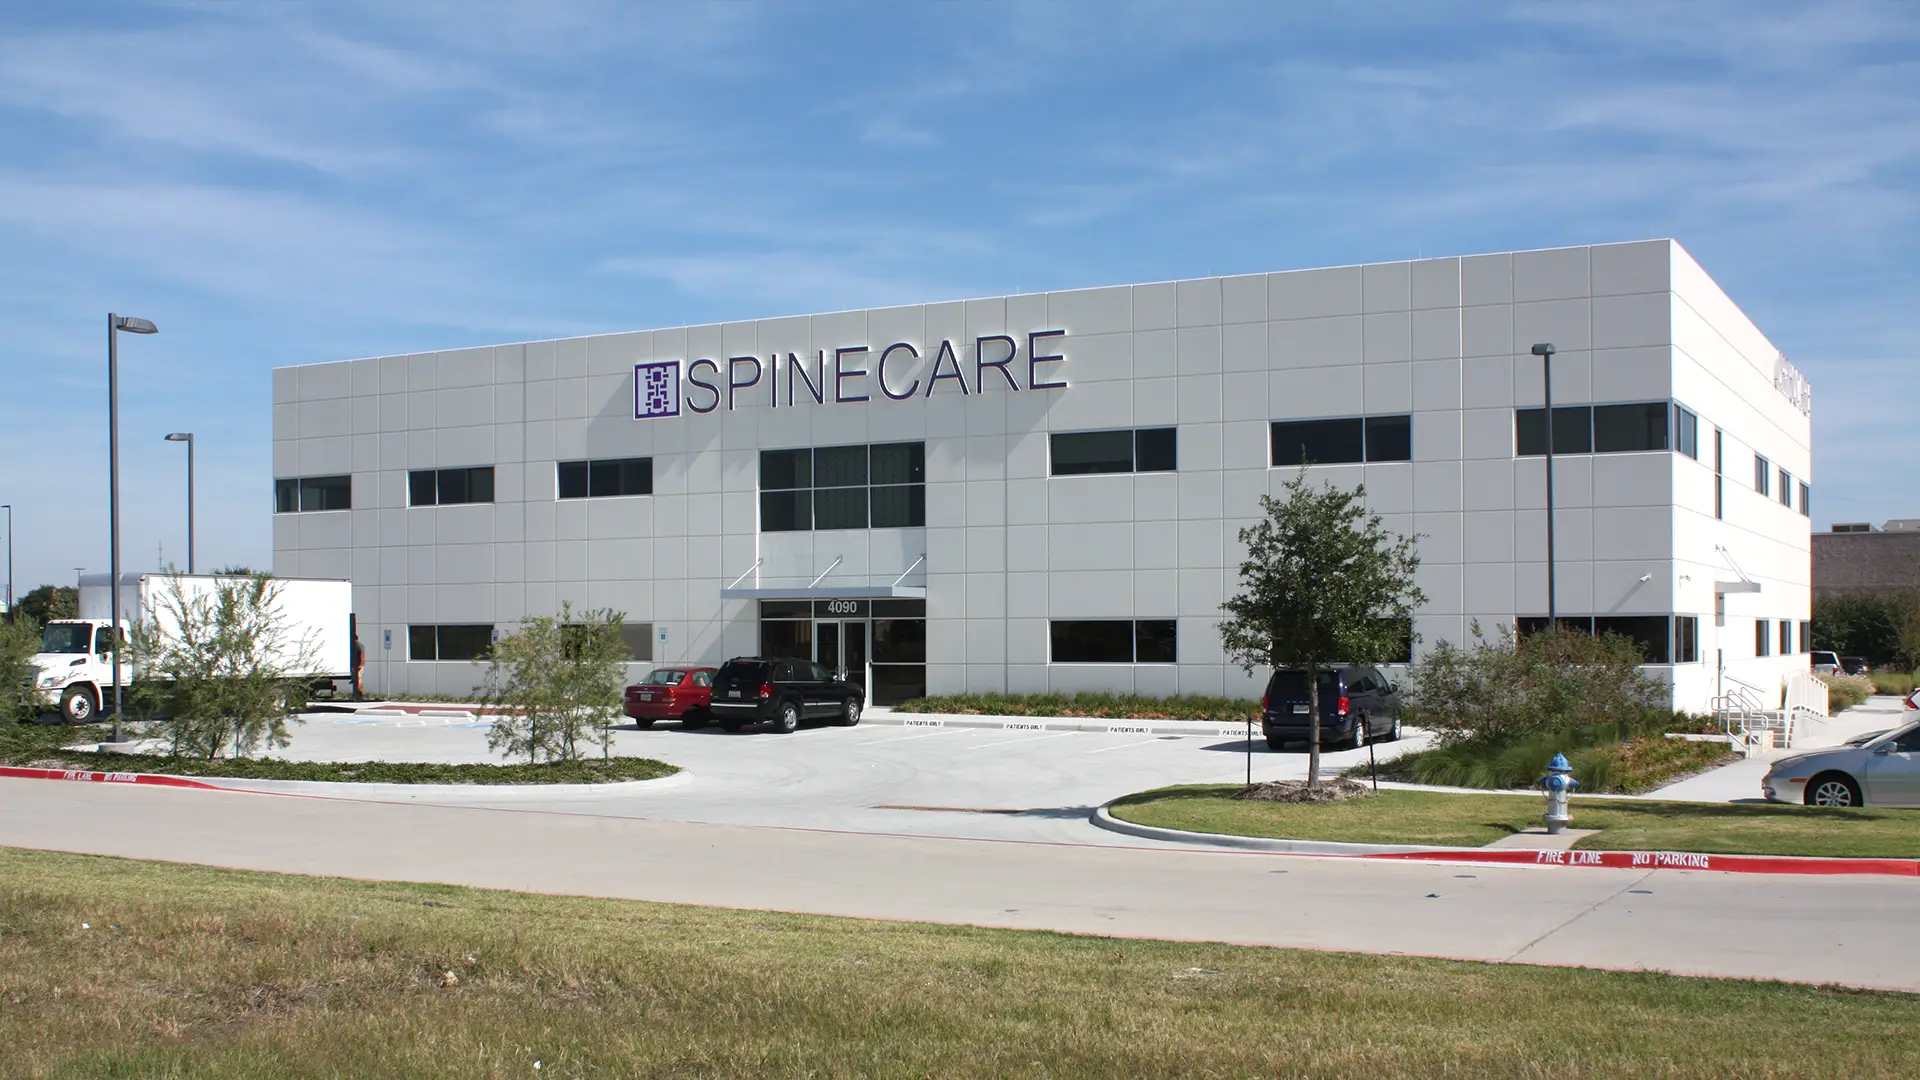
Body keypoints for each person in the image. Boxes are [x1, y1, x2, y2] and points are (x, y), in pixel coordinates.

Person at [351, 635, 366, 700]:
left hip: (359, 666)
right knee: (357, 679)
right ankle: (358, 694)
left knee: (358, 679)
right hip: (358, 666)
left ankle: (359, 693)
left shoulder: (358, 646)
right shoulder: (359, 646)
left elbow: (361, 656)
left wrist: (359, 666)